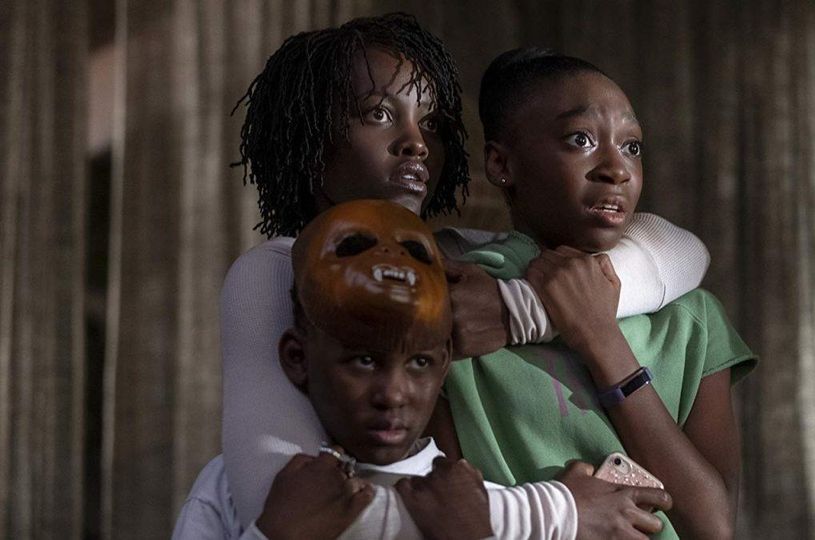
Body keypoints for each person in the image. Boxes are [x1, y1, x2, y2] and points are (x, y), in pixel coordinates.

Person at [222, 12, 712, 526]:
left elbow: (683, 252)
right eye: (379, 113)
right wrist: (561, 512)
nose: (416, 142)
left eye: (432, 124)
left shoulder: (456, 257)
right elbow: (289, 511)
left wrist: (517, 309)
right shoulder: (273, 270)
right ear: (308, 135)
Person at [174, 200, 673, 539]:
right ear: (297, 358)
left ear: (446, 363)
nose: (393, 394)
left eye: (419, 363)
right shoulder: (233, 489)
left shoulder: (477, 495)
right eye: (364, 360)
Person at [429, 48, 758, 540]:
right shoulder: (459, 300)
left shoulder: (692, 318)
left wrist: (602, 339)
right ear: (500, 163)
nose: (616, 169)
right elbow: (440, 511)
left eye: (632, 146)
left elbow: (713, 525)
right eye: (580, 139)